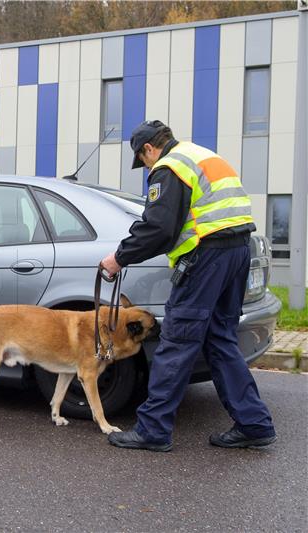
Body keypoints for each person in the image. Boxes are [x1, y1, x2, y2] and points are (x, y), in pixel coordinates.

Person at [100, 120, 276, 452]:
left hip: (206, 258)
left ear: (149, 148)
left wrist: (118, 258)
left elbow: (159, 228)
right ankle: (254, 423)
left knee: (177, 340)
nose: (146, 166)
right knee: (220, 339)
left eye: (143, 160)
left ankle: (153, 429)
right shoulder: (202, 155)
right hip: (237, 252)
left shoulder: (170, 167)